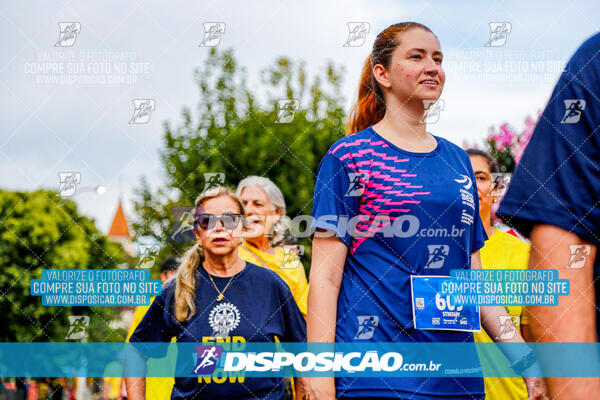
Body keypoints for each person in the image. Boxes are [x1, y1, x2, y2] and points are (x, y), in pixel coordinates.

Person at [305, 22, 547, 399]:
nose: (432, 67)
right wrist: (318, 377)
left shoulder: (457, 161)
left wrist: (526, 363)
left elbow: (474, 281)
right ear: (381, 73)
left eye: (437, 58)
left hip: (456, 376)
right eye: (416, 57)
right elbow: (324, 279)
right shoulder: (348, 157)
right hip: (377, 374)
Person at [125, 186, 307, 400]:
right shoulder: (178, 289)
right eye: (207, 222)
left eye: (230, 220)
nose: (219, 228)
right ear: (197, 233)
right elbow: (136, 351)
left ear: (243, 230)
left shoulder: (271, 286)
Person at [496, 32, 600, 399]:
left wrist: (531, 371)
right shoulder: (466, 251)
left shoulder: (510, 248)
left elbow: (521, 318)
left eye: (480, 178)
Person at [467, 149, 531, 400]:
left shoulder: (523, 254)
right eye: (462, 178)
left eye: (480, 177)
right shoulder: (429, 253)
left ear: (495, 190)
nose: (470, 186)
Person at [236, 176, 309, 317]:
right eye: (243, 204)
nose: (248, 210)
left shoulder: (290, 259)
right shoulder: (228, 254)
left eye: (257, 204)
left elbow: (303, 315)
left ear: (276, 214)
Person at [124, 256, 180, 399]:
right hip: (155, 385)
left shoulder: (192, 303)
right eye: (175, 271)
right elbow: (131, 350)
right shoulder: (146, 307)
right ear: (163, 276)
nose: (179, 276)